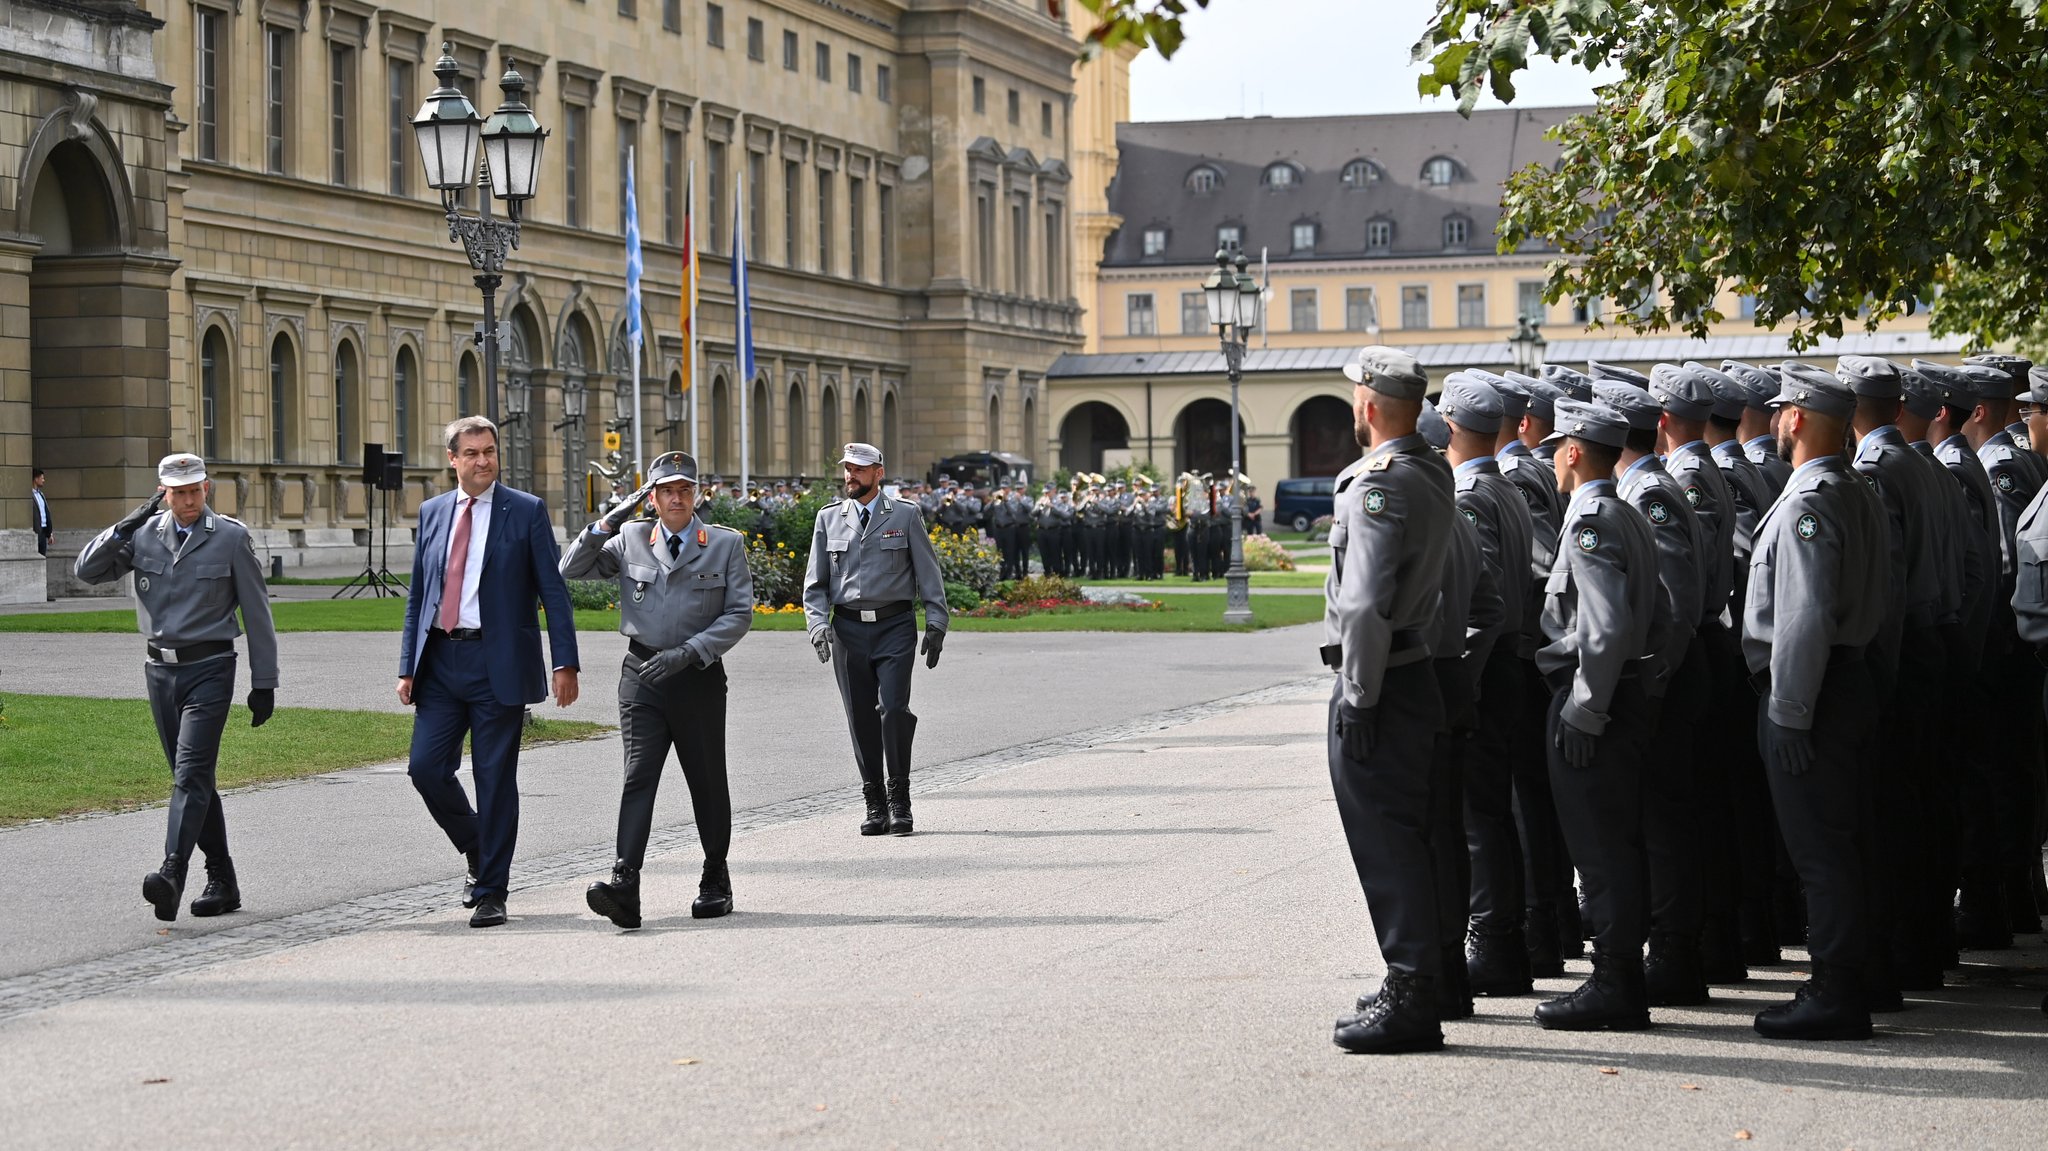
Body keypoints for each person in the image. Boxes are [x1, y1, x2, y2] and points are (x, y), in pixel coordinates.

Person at [1742, 362, 1887, 1040]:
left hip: (1812, 692)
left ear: (1796, 418)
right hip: (1848, 682)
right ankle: (1852, 977)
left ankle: (1835, 990)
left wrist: (1790, 711)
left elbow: (1803, 617)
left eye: (1779, 411)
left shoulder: (1810, 501)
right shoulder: (1852, 489)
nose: (1773, 421)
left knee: (1819, 850)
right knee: (1843, 842)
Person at [75, 453, 278, 921]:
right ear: (162, 493)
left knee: (190, 774)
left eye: (195, 490)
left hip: (210, 667)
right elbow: (87, 571)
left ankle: (172, 872)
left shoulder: (229, 537)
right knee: (195, 780)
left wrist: (263, 682)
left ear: (206, 488)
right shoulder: (145, 534)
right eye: (178, 492)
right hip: (159, 671)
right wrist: (127, 523)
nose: (188, 501)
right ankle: (223, 880)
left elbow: (258, 614)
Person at [397, 416, 580, 929]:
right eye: (472, 453)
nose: (483, 461)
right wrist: (407, 665)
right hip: (439, 661)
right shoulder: (433, 512)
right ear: (452, 460)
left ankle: (491, 890)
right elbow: (420, 596)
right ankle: (479, 845)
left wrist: (564, 661)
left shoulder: (524, 511)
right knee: (426, 769)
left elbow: (553, 593)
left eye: (489, 451)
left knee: (494, 777)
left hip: (497, 663)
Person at [1323, 346, 1455, 1054]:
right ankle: (1417, 978)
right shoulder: (1429, 468)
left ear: (1369, 407)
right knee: (1414, 836)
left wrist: (1358, 696)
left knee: (1388, 842)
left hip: (1383, 678)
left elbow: (1367, 604)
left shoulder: (1377, 485)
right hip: (1415, 672)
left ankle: (1411, 992)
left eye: (1355, 395)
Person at [562, 451, 752, 929]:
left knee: (706, 780)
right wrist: (608, 519)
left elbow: (738, 614)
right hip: (642, 674)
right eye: (666, 490)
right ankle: (625, 884)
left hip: (697, 677)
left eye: (685, 489)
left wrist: (689, 652)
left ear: (697, 494)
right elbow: (571, 567)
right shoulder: (629, 537)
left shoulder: (724, 544)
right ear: (652, 496)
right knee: (638, 775)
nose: (676, 498)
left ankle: (715, 877)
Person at [1532, 398, 1668, 1031]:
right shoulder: (1626, 511)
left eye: (1559, 445)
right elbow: (1661, 613)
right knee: (1619, 839)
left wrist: (1586, 711)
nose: (1554, 455)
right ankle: (1621, 974)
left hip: (1597, 699)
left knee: (1601, 845)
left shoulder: (1590, 517)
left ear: (1574, 452)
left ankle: (1615, 980)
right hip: (1625, 692)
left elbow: (1606, 628)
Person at [1438, 376, 1539, 996]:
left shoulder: (1472, 492)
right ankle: (1503, 936)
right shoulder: (1501, 486)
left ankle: (1494, 940)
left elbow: (1487, 604)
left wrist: (1462, 686)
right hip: (1507, 663)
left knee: (1480, 815)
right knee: (1494, 812)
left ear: (1449, 428)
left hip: (1487, 666)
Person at [803, 443, 951, 836]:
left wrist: (936, 622)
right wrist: (817, 626)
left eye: (860, 469)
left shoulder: (905, 515)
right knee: (860, 718)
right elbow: (815, 584)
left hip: (895, 626)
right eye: (848, 469)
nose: (851, 476)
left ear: (878, 473)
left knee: (894, 709)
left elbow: (928, 574)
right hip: (848, 630)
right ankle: (874, 802)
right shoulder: (829, 519)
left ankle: (899, 796)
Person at [30, 466, 52, 559]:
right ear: (36, 479)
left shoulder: (41, 494)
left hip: (43, 532)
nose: (44, 480)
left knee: (43, 558)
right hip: (35, 533)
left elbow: (45, 513)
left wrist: (49, 533)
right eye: (42, 478)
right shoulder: (29, 496)